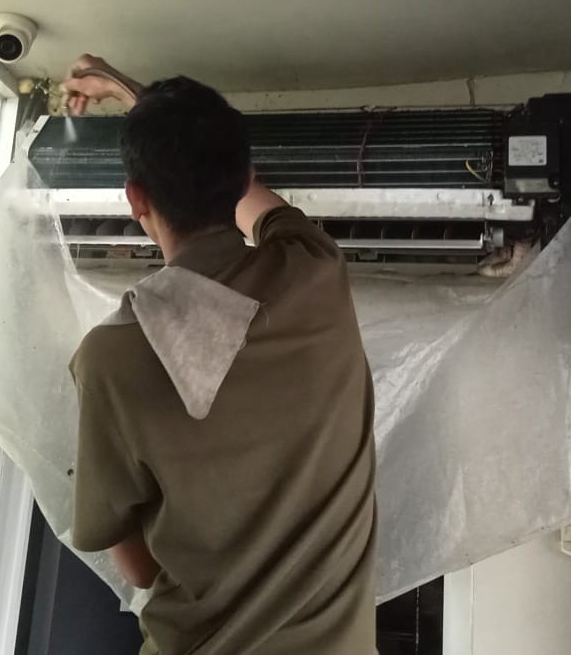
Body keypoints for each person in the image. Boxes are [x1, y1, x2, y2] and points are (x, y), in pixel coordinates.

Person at [60, 55, 377, 654]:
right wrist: (134, 95)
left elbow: (136, 564)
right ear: (242, 175)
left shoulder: (111, 358)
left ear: (135, 199)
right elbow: (256, 199)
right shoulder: (314, 269)